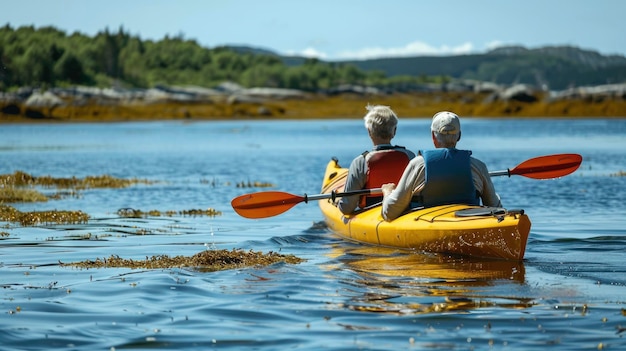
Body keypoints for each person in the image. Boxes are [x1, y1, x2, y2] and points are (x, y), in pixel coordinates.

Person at [381, 111, 501, 221]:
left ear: (433, 137)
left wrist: (388, 192)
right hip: (468, 222)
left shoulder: (418, 165)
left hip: (427, 224)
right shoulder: (478, 166)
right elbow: (496, 208)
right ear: (459, 136)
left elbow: (390, 212)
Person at [337, 105, 416, 215]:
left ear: (369, 131)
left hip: (370, 212)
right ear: (394, 131)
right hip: (405, 211)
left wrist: (338, 203)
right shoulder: (410, 156)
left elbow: (347, 208)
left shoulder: (360, 162)